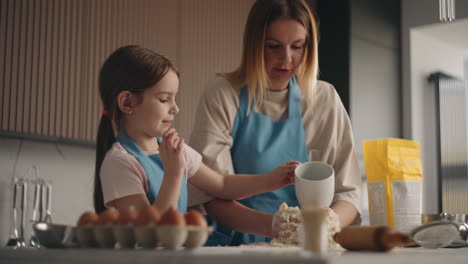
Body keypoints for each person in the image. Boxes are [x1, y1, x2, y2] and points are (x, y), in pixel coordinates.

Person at [188, 0, 362, 246]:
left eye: (297, 46)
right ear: (253, 45)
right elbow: (211, 193)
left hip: (309, 247)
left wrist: (326, 224)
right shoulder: (223, 94)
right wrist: (280, 228)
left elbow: (349, 193)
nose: (286, 59)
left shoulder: (324, 99)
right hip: (236, 247)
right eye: (273, 46)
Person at [92, 45, 300, 218]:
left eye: (175, 98)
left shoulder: (175, 152)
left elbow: (222, 185)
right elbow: (151, 236)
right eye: (164, 99)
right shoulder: (119, 163)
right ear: (127, 102)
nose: (175, 108)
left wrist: (274, 179)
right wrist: (174, 174)